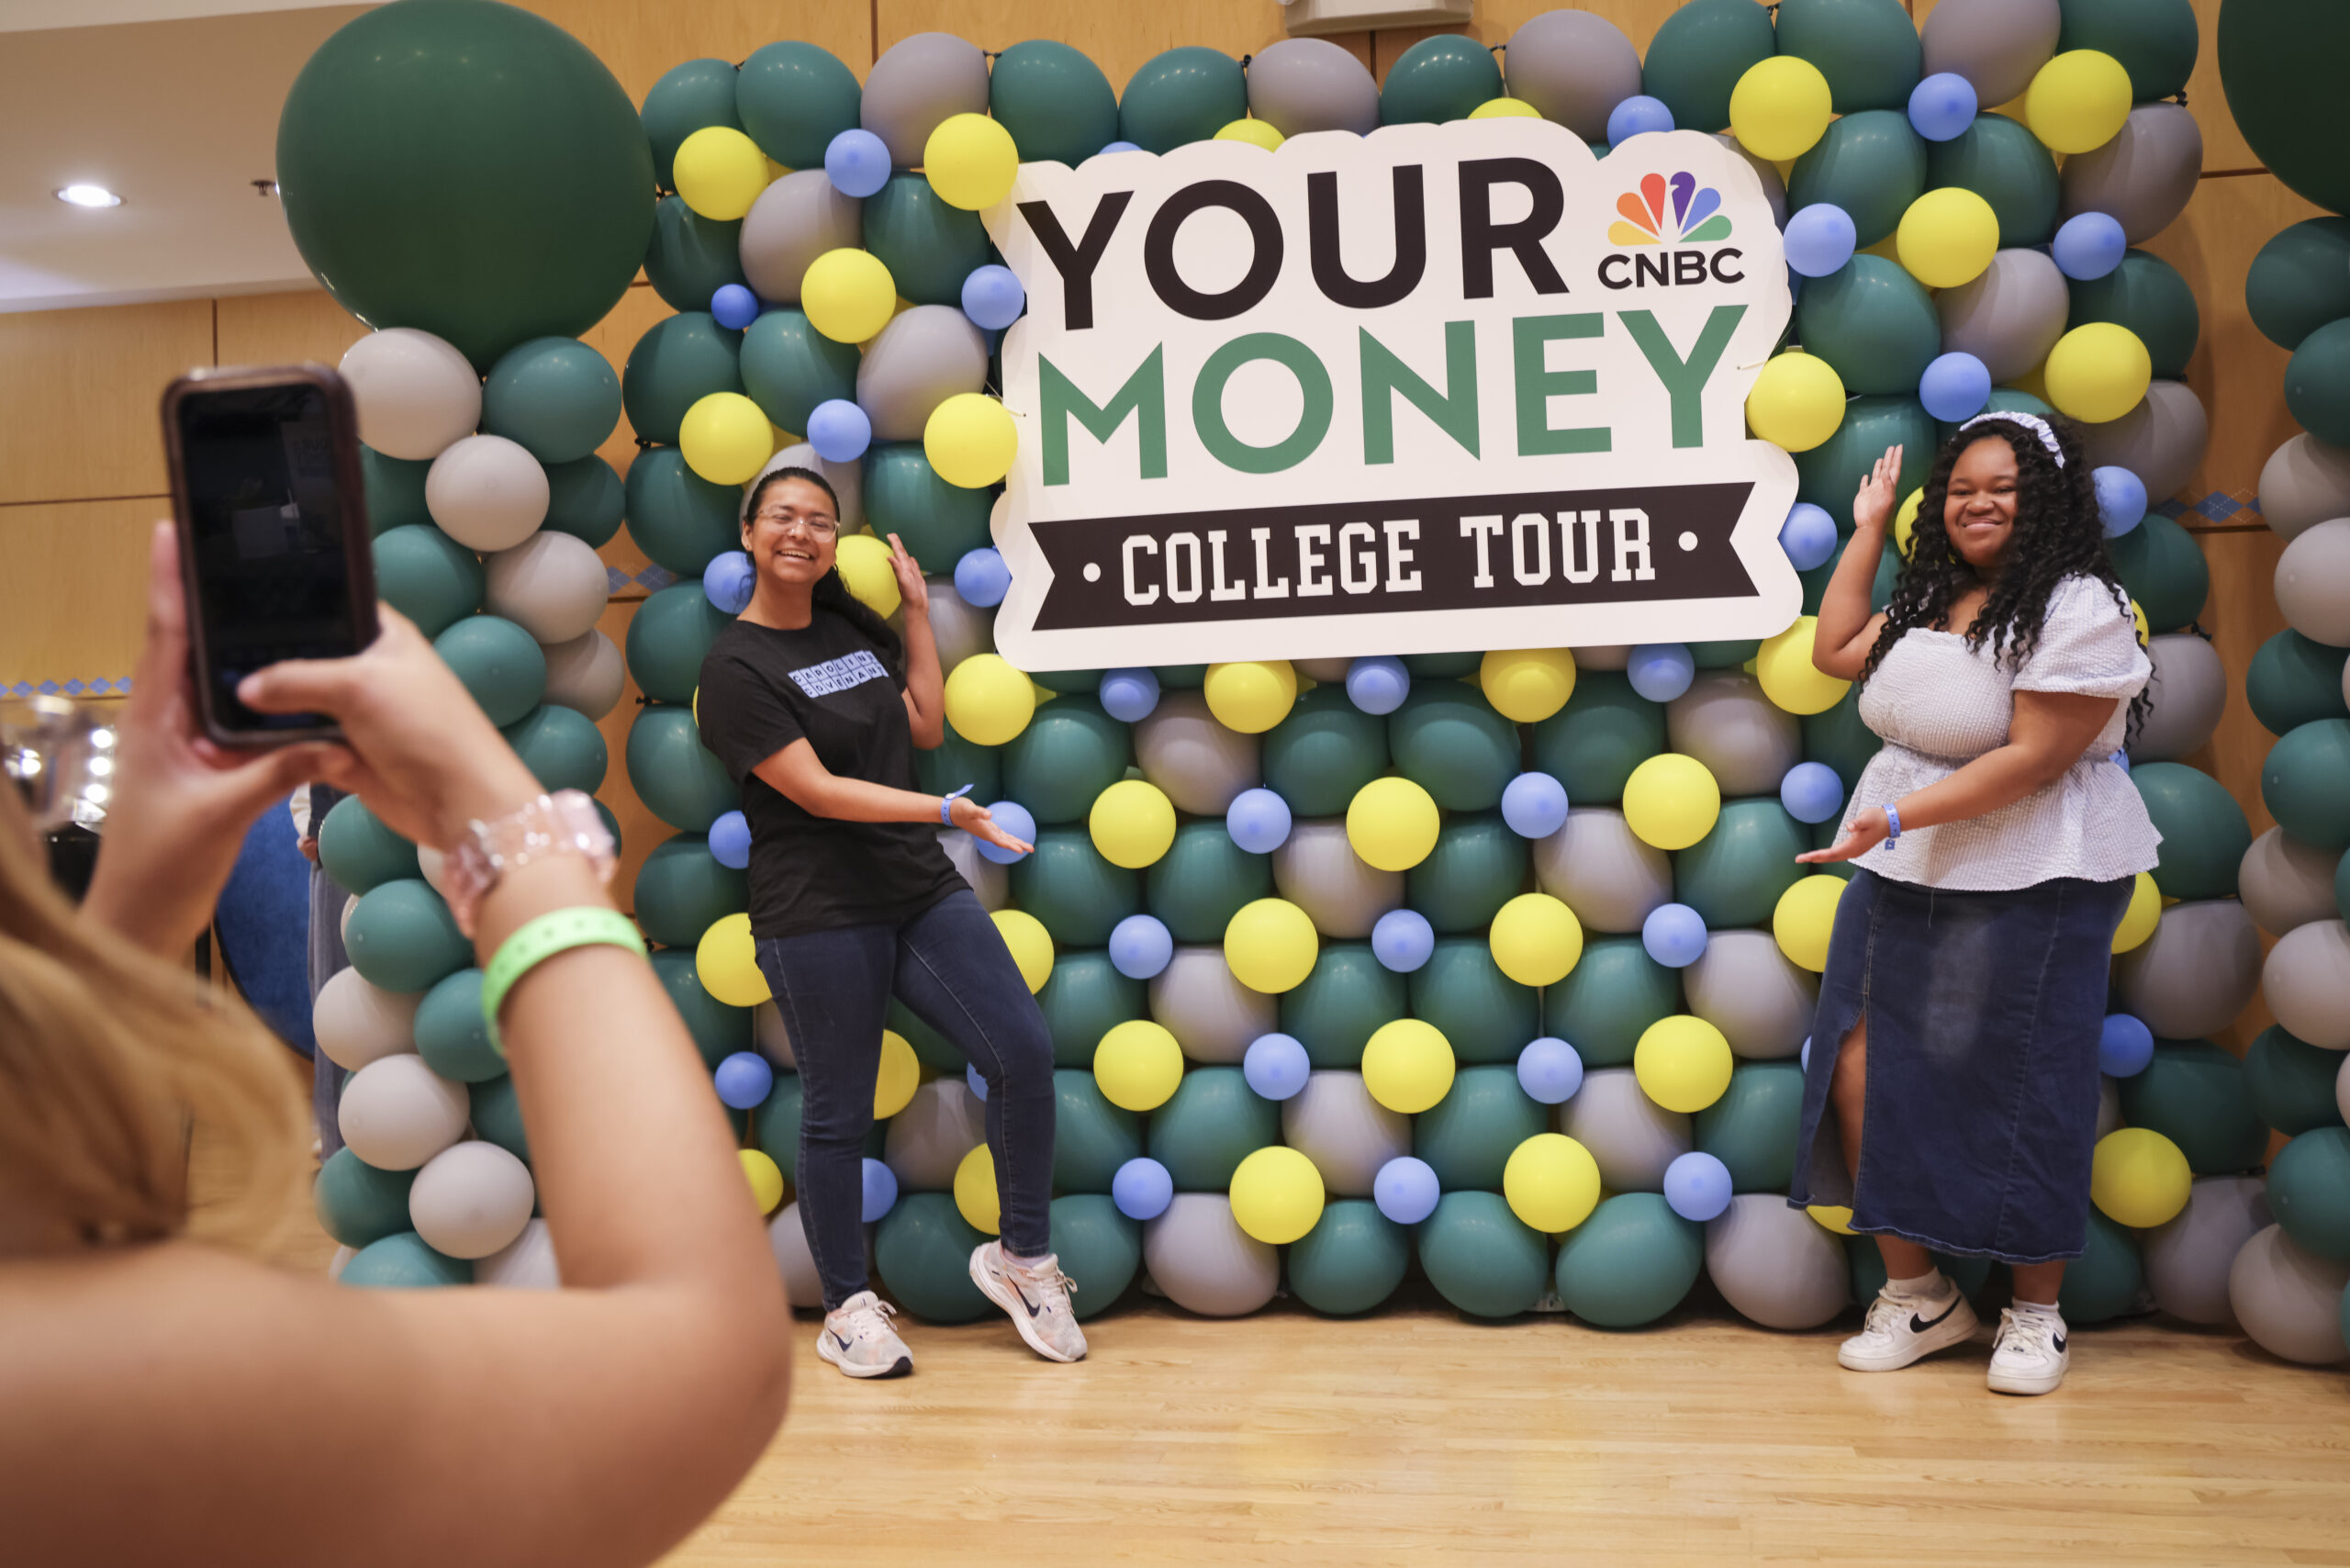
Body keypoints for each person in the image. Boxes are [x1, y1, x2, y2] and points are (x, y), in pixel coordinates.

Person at [1, 523, 789, 1564]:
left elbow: (43, 1211)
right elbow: (703, 1358)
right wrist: (505, 820)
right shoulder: (77, 1379)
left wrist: (132, 912)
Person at [1790, 412, 2160, 1397]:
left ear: (2042, 497)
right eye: (1961, 489)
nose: (1978, 503)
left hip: (2035, 865)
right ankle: (1917, 1293)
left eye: (2000, 487)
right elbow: (1832, 650)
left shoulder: (2080, 603)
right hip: (1906, 859)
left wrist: (1895, 813)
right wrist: (1867, 526)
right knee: (1859, 1062)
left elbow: (2033, 758)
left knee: (2023, 1076)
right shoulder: (1933, 597)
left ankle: (2034, 1312)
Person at [695, 465, 1080, 1379]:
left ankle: (1022, 1259)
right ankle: (846, 1308)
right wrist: (943, 815)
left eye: (820, 520)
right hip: (816, 909)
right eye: (782, 516)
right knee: (838, 1111)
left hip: (914, 888)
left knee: (1020, 1051)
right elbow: (818, 793)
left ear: (835, 541)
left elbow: (921, 719)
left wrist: (914, 611)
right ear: (749, 533)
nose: (802, 531)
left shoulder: (845, 629)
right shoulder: (733, 667)